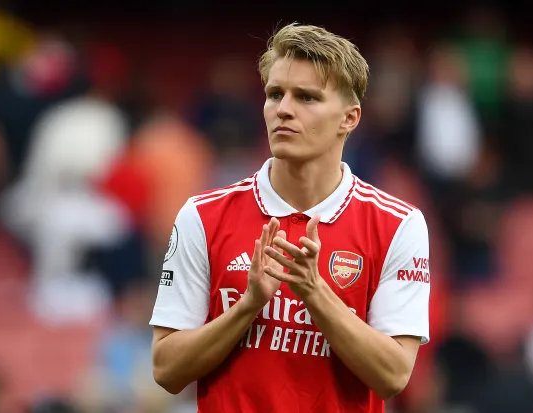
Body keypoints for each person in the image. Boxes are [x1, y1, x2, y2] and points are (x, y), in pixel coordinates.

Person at [150, 23, 431, 413]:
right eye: (274, 94)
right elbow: (166, 369)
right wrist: (247, 306)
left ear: (349, 118)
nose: (283, 109)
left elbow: (394, 375)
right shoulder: (202, 214)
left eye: (307, 97)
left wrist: (315, 293)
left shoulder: (398, 224)